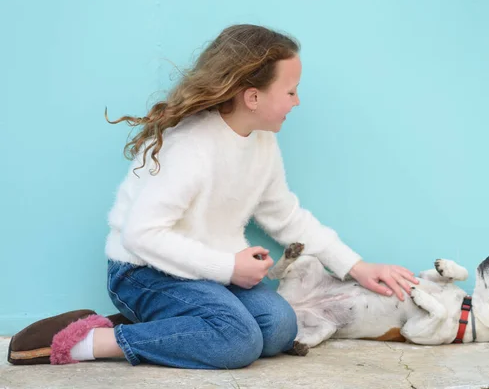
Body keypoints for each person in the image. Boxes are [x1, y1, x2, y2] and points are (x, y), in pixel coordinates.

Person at [7, 24, 419, 369]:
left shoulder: (260, 143)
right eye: (291, 91)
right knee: (238, 342)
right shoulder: (191, 147)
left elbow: (285, 216)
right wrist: (227, 267)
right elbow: (140, 235)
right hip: (142, 271)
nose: (298, 101)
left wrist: (358, 266)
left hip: (206, 273)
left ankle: (174, 323)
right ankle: (94, 339)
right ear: (252, 97)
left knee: (279, 328)